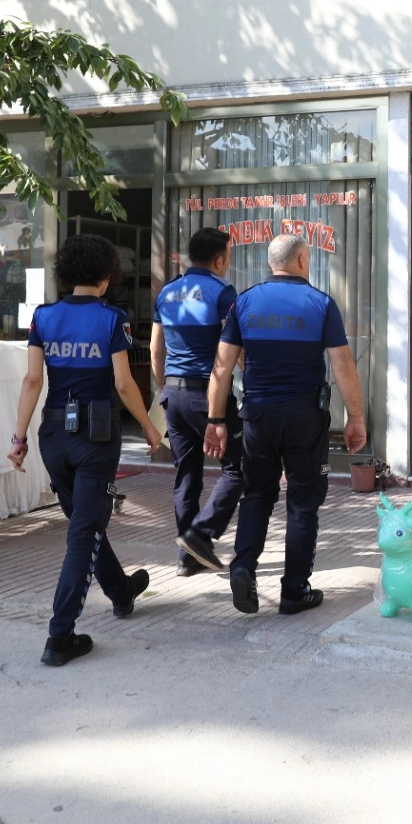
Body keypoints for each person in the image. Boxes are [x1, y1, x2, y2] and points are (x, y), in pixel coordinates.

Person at [9, 234, 163, 666]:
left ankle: (121, 591)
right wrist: (149, 426)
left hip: (53, 437)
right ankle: (60, 635)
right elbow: (123, 384)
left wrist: (18, 440)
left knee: (85, 520)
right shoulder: (113, 319)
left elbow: (33, 381)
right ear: (106, 274)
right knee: (84, 531)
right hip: (96, 439)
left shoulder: (43, 316)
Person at [201, 232, 366, 616]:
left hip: (257, 416)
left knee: (257, 495)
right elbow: (343, 365)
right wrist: (356, 417)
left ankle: (243, 566)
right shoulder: (321, 304)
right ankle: (294, 591)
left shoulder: (245, 302)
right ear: (303, 260)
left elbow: (222, 367)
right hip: (304, 418)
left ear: (271, 263)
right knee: (303, 502)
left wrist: (215, 420)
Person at [151, 227, 243, 576]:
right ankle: (200, 534)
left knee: (186, 475)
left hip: (173, 395)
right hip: (208, 394)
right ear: (219, 260)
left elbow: (155, 349)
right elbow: (235, 350)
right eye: (228, 257)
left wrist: (165, 388)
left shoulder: (167, 292)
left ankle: (186, 559)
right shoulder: (222, 292)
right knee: (238, 468)